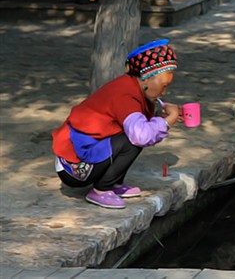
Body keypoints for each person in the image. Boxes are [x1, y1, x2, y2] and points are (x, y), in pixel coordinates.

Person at [52, 39, 183, 209]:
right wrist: (168, 121)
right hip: (74, 167)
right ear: (146, 78)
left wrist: (161, 117)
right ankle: (101, 190)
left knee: (132, 135)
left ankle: (114, 183)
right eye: (163, 86)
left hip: (85, 156)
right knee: (133, 141)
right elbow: (141, 136)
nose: (164, 92)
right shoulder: (125, 96)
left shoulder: (132, 87)